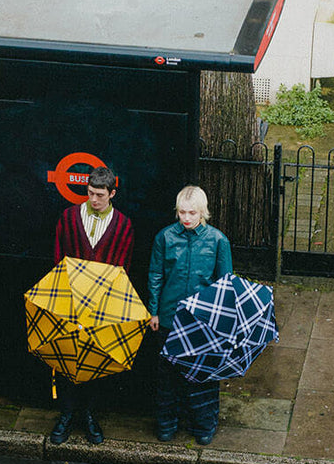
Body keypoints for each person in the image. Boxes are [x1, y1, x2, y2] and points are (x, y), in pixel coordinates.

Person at [48, 164, 135, 446]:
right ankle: (66, 415)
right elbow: (59, 261)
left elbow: (122, 270)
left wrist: (102, 304)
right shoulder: (69, 217)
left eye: (99, 195)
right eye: (89, 193)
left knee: (96, 364)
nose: (93, 200)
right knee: (65, 361)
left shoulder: (123, 225)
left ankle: (89, 416)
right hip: (70, 304)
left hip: (103, 309)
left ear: (112, 193)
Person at [147, 185, 232, 445]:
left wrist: (221, 321)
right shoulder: (164, 237)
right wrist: (153, 311)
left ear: (202, 212)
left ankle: (204, 424)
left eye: (192, 213)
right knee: (168, 377)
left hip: (202, 322)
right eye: (182, 212)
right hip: (170, 318)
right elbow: (156, 275)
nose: (186, 218)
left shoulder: (218, 240)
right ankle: (167, 424)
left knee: (203, 376)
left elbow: (226, 284)